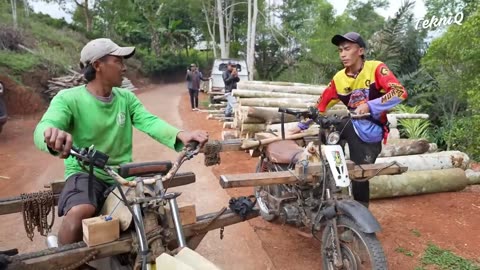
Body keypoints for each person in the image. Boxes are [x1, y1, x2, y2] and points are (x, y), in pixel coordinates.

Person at [33, 38, 209, 250]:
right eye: (118, 61)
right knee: (81, 210)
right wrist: (51, 135)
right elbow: (45, 126)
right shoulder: (68, 99)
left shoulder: (126, 98)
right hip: (86, 173)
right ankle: (61, 257)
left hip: (124, 175)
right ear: (97, 65)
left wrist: (182, 134)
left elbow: (149, 121)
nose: (124, 67)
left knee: (156, 209)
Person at [296, 32, 408, 208]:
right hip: (351, 124)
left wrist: (370, 106)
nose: (342, 54)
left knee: (360, 174)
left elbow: (399, 92)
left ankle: (361, 213)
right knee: (330, 128)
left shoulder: (376, 68)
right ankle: (323, 189)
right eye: (340, 50)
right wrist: (302, 124)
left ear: (360, 50)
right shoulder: (339, 78)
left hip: (370, 130)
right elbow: (321, 103)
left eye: (347, 49)